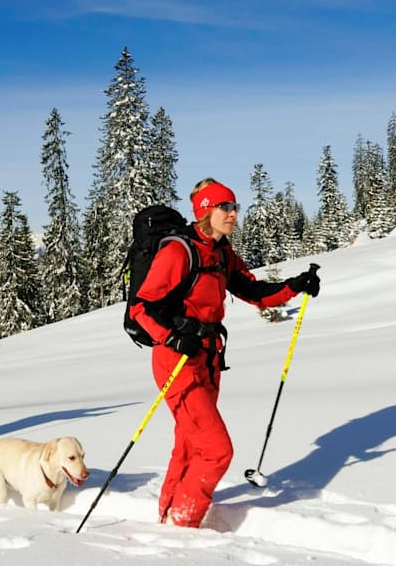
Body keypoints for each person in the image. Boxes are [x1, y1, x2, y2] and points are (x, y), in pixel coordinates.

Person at [128, 178, 320, 528]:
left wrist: (294, 286)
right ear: (206, 211)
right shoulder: (178, 251)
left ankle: (168, 514)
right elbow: (142, 307)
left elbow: (254, 291)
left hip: (208, 359)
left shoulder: (221, 252)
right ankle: (182, 524)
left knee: (189, 444)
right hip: (177, 361)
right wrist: (171, 338)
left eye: (235, 207)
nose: (233, 214)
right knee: (217, 450)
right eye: (226, 207)